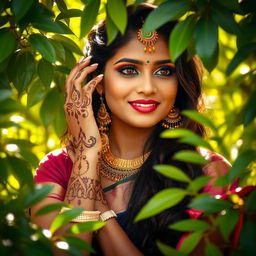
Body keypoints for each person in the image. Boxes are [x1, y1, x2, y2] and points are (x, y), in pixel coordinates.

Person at [30, 3, 232, 255]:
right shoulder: (59, 170)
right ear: (98, 83)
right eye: (128, 70)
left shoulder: (207, 172)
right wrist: (87, 153)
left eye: (163, 71)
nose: (147, 87)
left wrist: (103, 213)